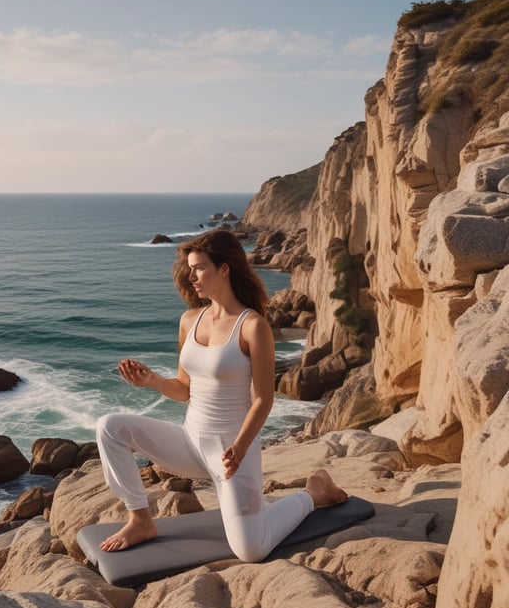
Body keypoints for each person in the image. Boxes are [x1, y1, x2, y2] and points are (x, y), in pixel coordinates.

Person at [95, 229, 348, 561]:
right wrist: (152, 380)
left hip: (231, 453)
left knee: (251, 550)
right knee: (109, 427)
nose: (191, 275)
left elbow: (263, 399)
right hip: (189, 444)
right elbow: (185, 390)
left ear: (224, 268)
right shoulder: (190, 320)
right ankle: (140, 520)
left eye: (199, 267)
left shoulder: (252, 326)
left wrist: (240, 448)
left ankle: (313, 494)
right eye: (190, 268)